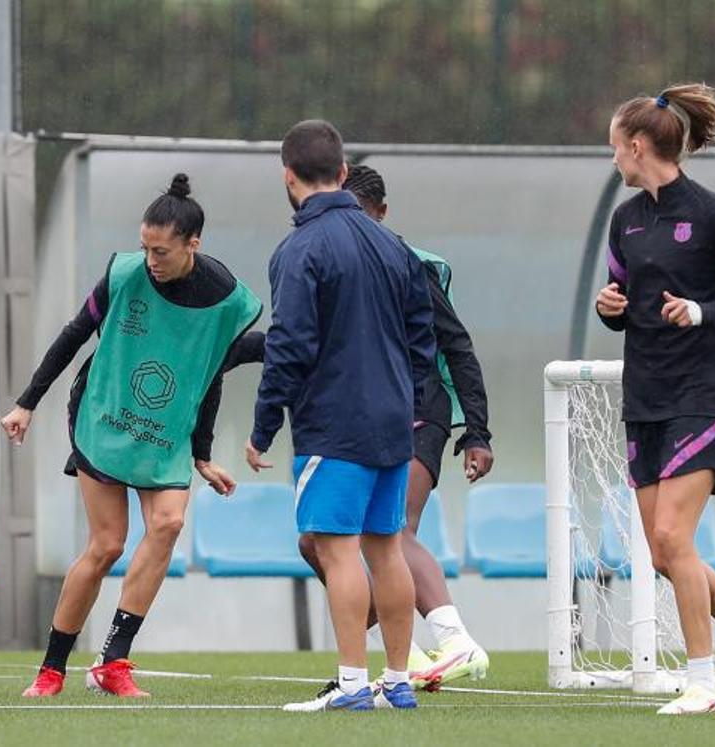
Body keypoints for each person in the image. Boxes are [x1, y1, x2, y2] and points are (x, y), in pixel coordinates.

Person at [2, 174, 262, 699]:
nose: (150, 260)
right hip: (103, 414)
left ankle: (113, 662)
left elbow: (207, 373)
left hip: (167, 432)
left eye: (160, 251)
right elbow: (74, 334)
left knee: (166, 524)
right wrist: (27, 402)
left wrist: (203, 455)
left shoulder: (227, 301)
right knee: (106, 545)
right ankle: (51, 669)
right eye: (144, 247)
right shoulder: (124, 275)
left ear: (194, 243)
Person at [596, 83, 715, 715]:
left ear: (638, 146)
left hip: (703, 396)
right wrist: (609, 308)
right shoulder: (626, 220)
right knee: (661, 550)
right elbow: (624, 304)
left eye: (616, 149)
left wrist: (704, 312)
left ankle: (703, 683)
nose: (614, 160)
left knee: (674, 537)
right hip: (644, 394)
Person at [248, 120, 436, 712]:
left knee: (337, 550)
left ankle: (353, 684)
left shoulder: (299, 249)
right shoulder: (393, 244)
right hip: (391, 423)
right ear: (345, 173)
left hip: (334, 425)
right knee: (387, 546)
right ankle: (398, 681)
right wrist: (406, 402)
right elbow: (421, 337)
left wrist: (262, 427)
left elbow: (290, 345)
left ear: (287, 175)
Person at [296, 164, 493, 690]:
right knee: (315, 542)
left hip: (417, 410)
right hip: (359, 416)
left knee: (388, 527)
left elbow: (458, 346)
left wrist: (478, 431)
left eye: (360, 216)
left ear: (381, 214)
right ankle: (380, 650)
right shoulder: (329, 266)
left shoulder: (406, 265)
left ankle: (454, 640)